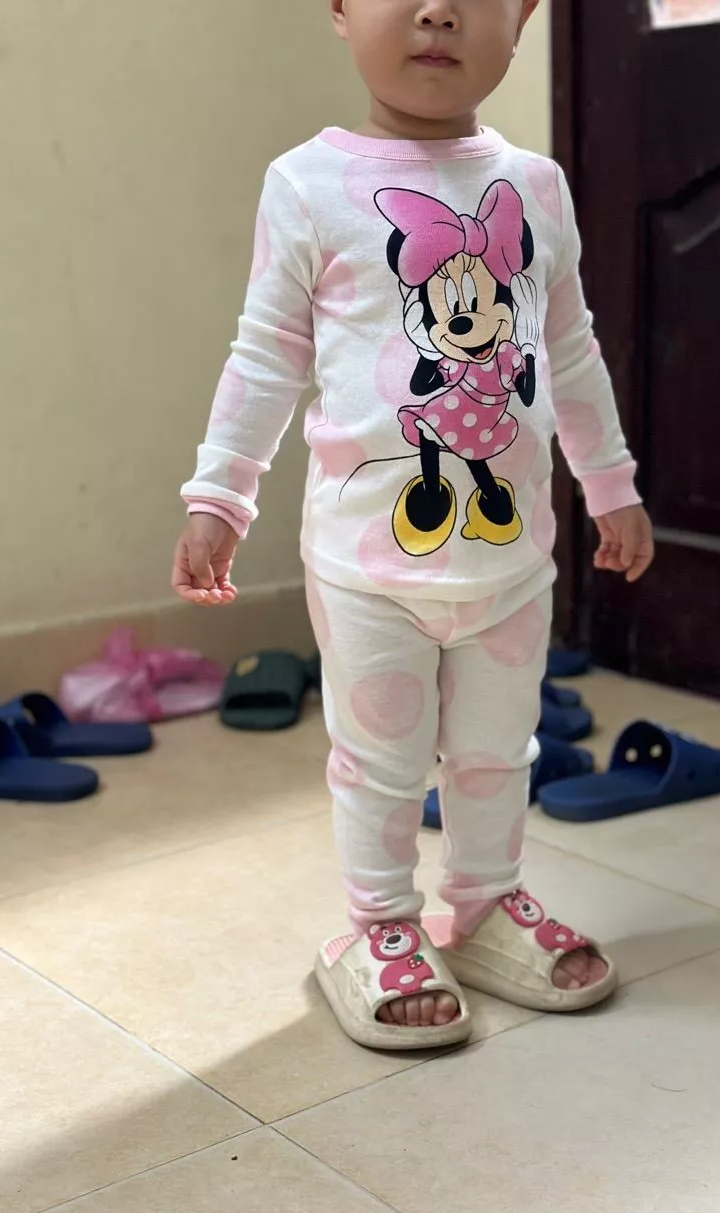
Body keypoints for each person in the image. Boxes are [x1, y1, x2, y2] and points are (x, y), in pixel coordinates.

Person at [173, 0, 654, 1050]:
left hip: (513, 565)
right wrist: (221, 493)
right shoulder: (307, 185)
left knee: (498, 753)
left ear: (524, 18)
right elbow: (266, 355)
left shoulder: (537, 187)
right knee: (380, 761)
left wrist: (609, 481)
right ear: (340, 10)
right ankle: (381, 924)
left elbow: (568, 349)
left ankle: (482, 905)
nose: (439, 10)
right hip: (367, 572)